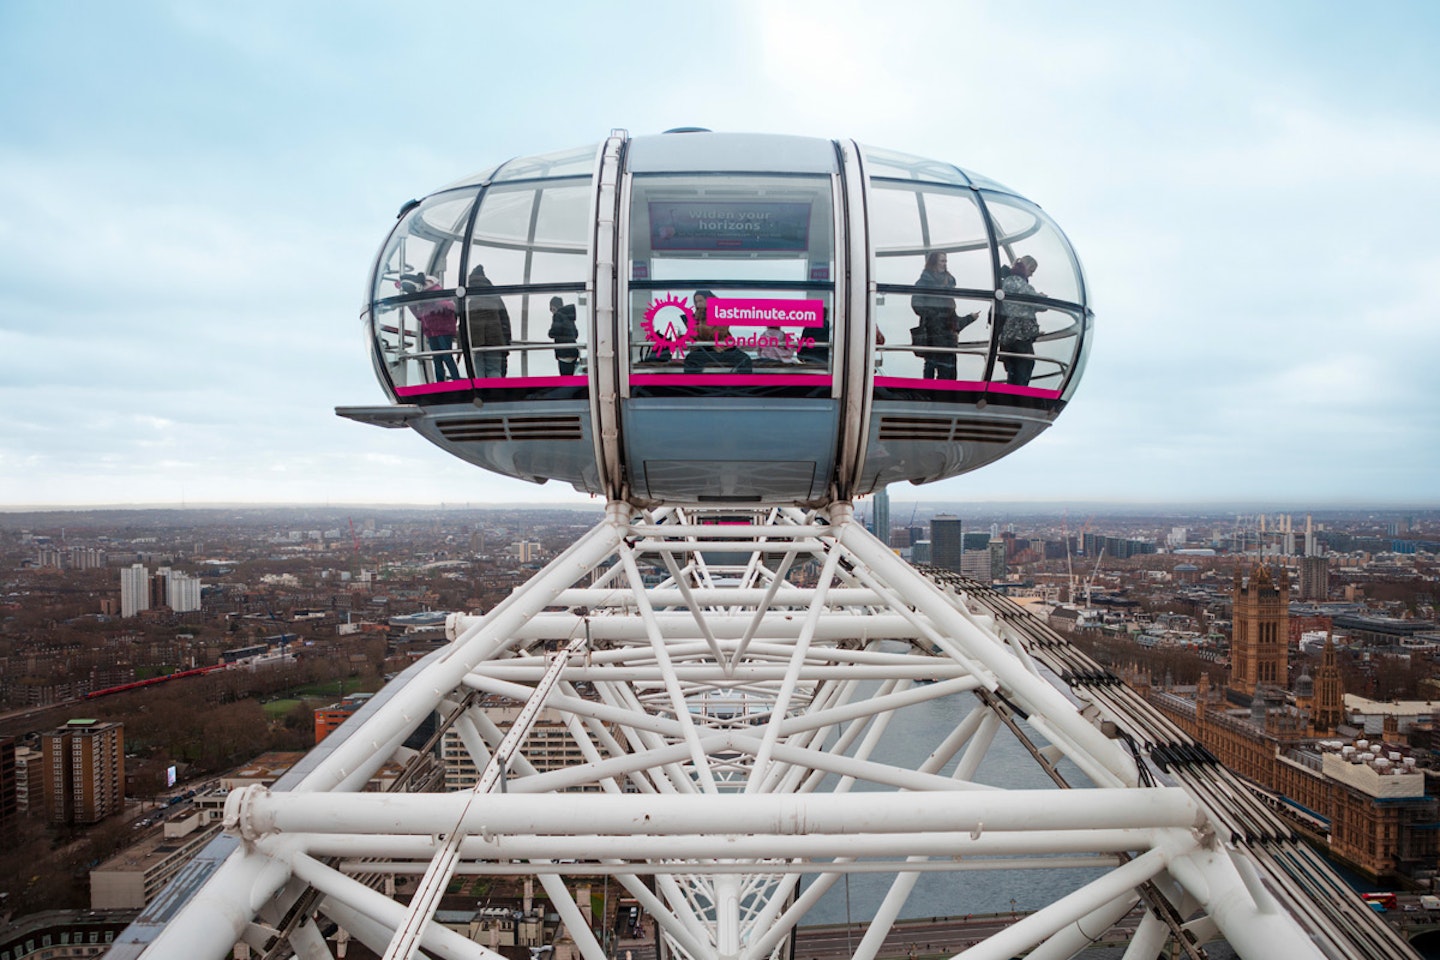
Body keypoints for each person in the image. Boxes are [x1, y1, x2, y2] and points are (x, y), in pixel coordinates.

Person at [911, 252, 975, 380]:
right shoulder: (924, 283)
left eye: (946, 261)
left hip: (942, 338)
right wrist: (936, 314)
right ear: (934, 262)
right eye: (942, 261)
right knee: (938, 371)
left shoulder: (930, 283)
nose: (945, 264)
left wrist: (970, 318)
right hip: (935, 336)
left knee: (941, 373)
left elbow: (954, 321)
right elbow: (917, 305)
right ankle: (932, 397)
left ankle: (936, 396)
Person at [400, 273, 460, 383]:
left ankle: (457, 381)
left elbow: (451, 307)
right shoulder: (423, 295)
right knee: (437, 359)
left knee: (447, 357)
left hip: (443, 329)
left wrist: (434, 301)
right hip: (432, 331)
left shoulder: (435, 290)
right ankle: (441, 383)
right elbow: (419, 316)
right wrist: (411, 303)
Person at [998, 254, 1044, 386]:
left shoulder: (1007, 281)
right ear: (1026, 267)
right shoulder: (1016, 282)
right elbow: (1039, 304)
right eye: (1031, 271)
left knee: (1016, 368)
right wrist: (1041, 297)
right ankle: (1016, 397)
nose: (1031, 275)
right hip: (1019, 336)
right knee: (1025, 364)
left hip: (1011, 335)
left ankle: (1012, 395)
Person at [682, 289, 753, 374]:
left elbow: (717, 334)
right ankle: (694, 385)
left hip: (723, 349)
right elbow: (694, 337)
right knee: (691, 359)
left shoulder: (721, 312)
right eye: (696, 302)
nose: (698, 304)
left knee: (745, 360)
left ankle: (743, 385)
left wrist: (696, 328)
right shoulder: (697, 316)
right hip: (704, 349)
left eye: (700, 301)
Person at [465, 263, 511, 378]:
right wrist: (507, 340)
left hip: (475, 338)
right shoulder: (494, 295)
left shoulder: (467, 294)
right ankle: (495, 393)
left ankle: (481, 393)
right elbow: (504, 318)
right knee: (494, 368)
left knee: (478, 368)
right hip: (495, 336)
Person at [548, 296, 580, 375]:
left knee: (565, 379)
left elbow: (553, 333)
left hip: (564, 354)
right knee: (570, 378)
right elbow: (576, 334)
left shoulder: (557, 316)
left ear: (553, 307)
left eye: (551, 309)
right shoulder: (569, 316)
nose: (551, 311)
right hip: (572, 352)